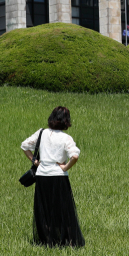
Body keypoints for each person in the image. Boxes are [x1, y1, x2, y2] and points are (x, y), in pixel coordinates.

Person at [21, 106, 85, 248]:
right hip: (58, 176)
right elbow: (74, 156)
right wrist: (65, 167)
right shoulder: (66, 138)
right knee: (62, 209)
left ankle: (46, 240)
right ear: (66, 121)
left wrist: (35, 161)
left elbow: (25, 145)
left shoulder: (42, 133)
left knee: (44, 208)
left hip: (42, 175)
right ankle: (65, 240)